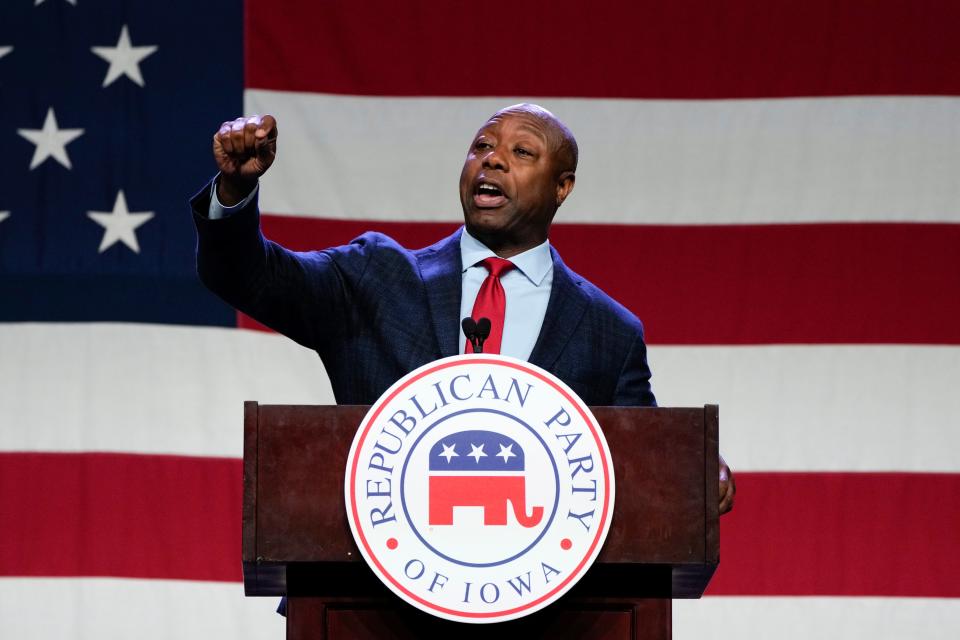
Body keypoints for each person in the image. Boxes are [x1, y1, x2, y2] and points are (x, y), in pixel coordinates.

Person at [191, 103, 735, 515]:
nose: (492, 158)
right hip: (371, 602)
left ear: (562, 187)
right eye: (481, 146)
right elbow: (248, 276)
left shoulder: (607, 331)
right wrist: (236, 192)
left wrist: (690, 475)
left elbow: (641, 464)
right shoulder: (378, 276)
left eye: (522, 153)